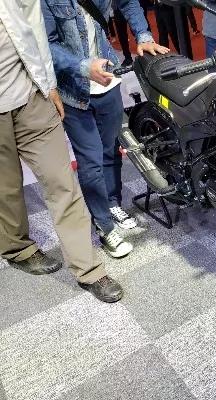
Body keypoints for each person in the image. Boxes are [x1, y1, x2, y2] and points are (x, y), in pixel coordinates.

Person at [0, 0, 123, 302]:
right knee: (6, 188)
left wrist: (49, 84)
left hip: (31, 95)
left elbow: (35, 30)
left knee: (62, 183)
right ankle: (18, 249)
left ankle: (89, 269)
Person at [42, 0, 169, 257]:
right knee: (90, 161)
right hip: (74, 91)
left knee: (111, 150)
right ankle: (104, 225)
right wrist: (82, 66)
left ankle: (112, 203)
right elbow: (47, 45)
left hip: (108, 81)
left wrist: (143, 35)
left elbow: (128, 2)